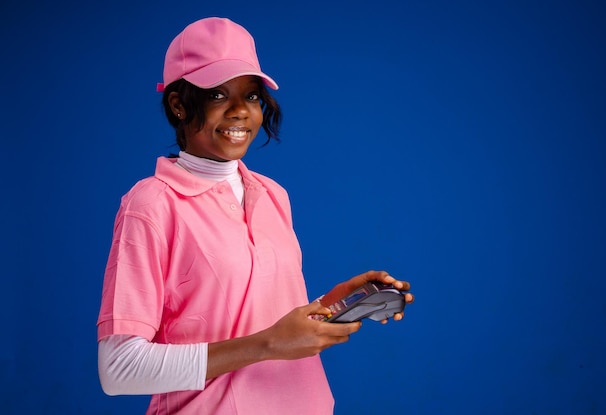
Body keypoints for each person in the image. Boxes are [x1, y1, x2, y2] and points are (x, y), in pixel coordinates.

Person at [97, 17, 413, 415]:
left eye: (250, 96)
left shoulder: (272, 194)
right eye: (216, 95)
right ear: (178, 104)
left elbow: (270, 327)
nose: (239, 112)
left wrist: (334, 302)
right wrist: (267, 344)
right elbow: (118, 370)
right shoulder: (151, 204)